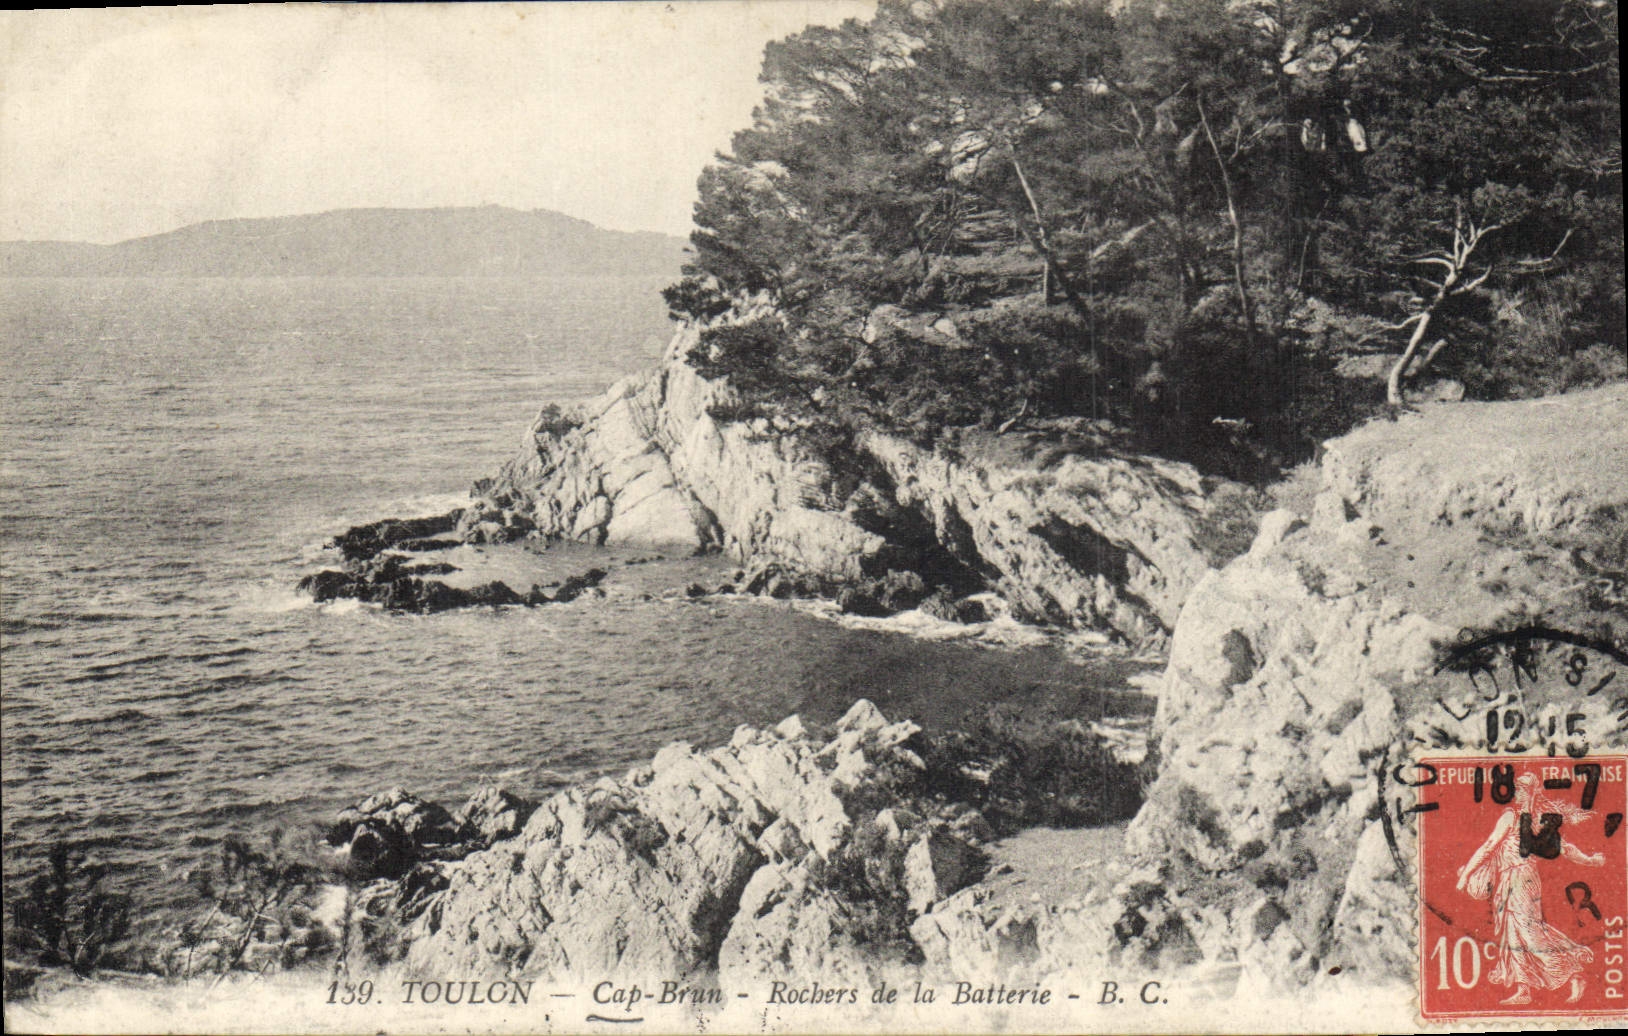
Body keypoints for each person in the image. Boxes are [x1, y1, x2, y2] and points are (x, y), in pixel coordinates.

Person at [1455, 773, 1606, 1004]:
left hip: (1521, 879)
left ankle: (1573, 971)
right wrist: (1590, 860)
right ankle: (1523, 989)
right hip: (1513, 880)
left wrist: (1465, 875)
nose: (1515, 792)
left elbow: (1490, 846)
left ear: (1528, 792)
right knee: (1514, 933)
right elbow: (1565, 848)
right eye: (1516, 788)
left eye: (1520, 789)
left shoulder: (1516, 817)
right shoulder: (1528, 818)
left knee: (1530, 933)